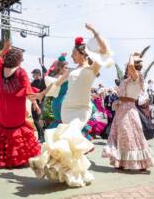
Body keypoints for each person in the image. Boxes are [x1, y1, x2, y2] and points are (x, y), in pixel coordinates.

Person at [29, 24, 114, 187]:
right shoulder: (70, 71)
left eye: (74, 53)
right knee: (67, 140)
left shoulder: (93, 68)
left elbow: (104, 51)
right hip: (67, 109)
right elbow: (55, 85)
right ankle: (69, 173)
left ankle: (61, 167)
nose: (72, 56)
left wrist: (95, 32)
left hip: (82, 110)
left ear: (83, 54)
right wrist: (40, 94)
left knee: (69, 136)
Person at [0, 41, 41, 168]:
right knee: (18, 129)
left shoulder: (0, 67)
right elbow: (28, 90)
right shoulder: (21, 72)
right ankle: (18, 159)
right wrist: (35, 103)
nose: (23, 60)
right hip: (16, 106)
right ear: (18, 60)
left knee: (5, 129)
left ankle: (7, 159)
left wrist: (3, 50)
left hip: (3, 105)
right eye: (22, 58)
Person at [102, 53, 154, 172]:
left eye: (128, 67)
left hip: (129, 110)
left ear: (135, 67)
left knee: (132, 135)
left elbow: (131, 66)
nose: (127, 69)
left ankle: (142, 163)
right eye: (126, 68)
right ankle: (121, 162)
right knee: (122, 136)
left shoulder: (138, 77)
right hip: (121, 110)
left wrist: (130, 55)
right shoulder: (127, 80)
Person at [36, 54, 68, 129]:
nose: (68, 69)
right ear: (61, 68)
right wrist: (42, 94)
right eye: (66, 67)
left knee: (57, 122)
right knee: (59, 123)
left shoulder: (57, 76)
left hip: (58, 101)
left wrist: (42, 94)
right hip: (59, 102)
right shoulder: (61, 77)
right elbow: (51, 85)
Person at [31, 65, 47, 143]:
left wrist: (42, 65)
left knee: (39, 120)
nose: (33, 75)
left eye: (34, 74)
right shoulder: (33, 82)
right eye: (33, 74)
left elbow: (46, 72)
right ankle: (40, 136)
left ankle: (42, 137)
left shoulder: (42, 81)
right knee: (35, 120)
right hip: (34, 102)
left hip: (41, 101)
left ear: (38, 74)